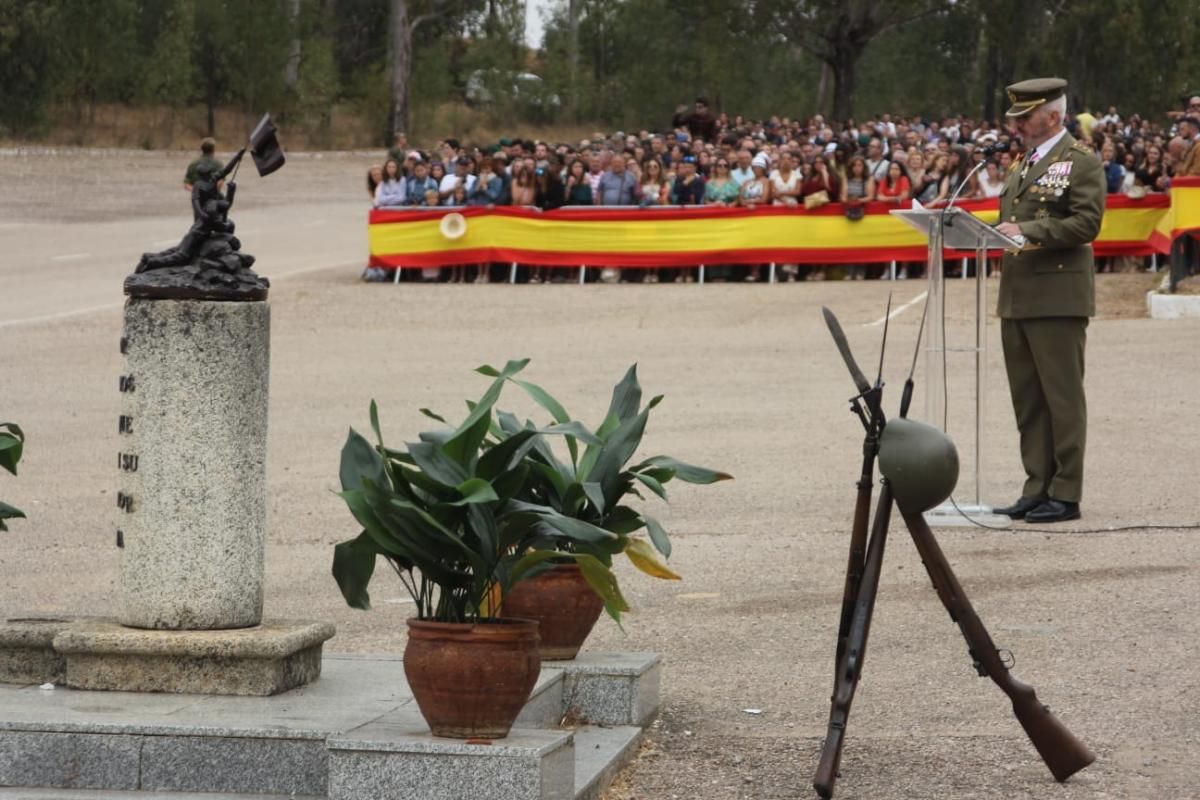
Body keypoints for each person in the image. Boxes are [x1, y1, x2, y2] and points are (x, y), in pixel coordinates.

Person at [992, 78, 1105, 524]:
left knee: (1061, 399)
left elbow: (1086, 224)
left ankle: (1066, 492)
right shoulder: (1023, 162)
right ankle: (1036, 486)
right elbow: (1010, 222)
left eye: (1025, 116)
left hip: (1058, 296)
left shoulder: (1080, 161)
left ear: (1053, 117)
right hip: (1018, 296)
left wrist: (1030, 232)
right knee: (1028, 400)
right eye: (1015, 117)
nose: (1017, 124)